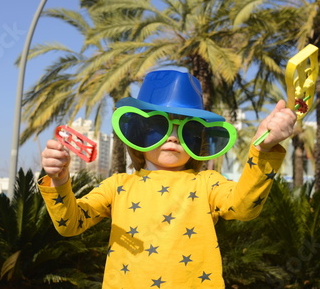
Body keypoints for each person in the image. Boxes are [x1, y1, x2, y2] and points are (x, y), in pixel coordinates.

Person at [39, 69, 296, 288]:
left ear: (201, 141)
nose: (173, 138)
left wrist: (262, 149)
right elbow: (70, 224)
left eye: (188, 129)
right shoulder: (117, 187)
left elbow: (244, 206)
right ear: (137, 135)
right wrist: (60, 181)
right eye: (159, 128)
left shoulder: (207, 183)